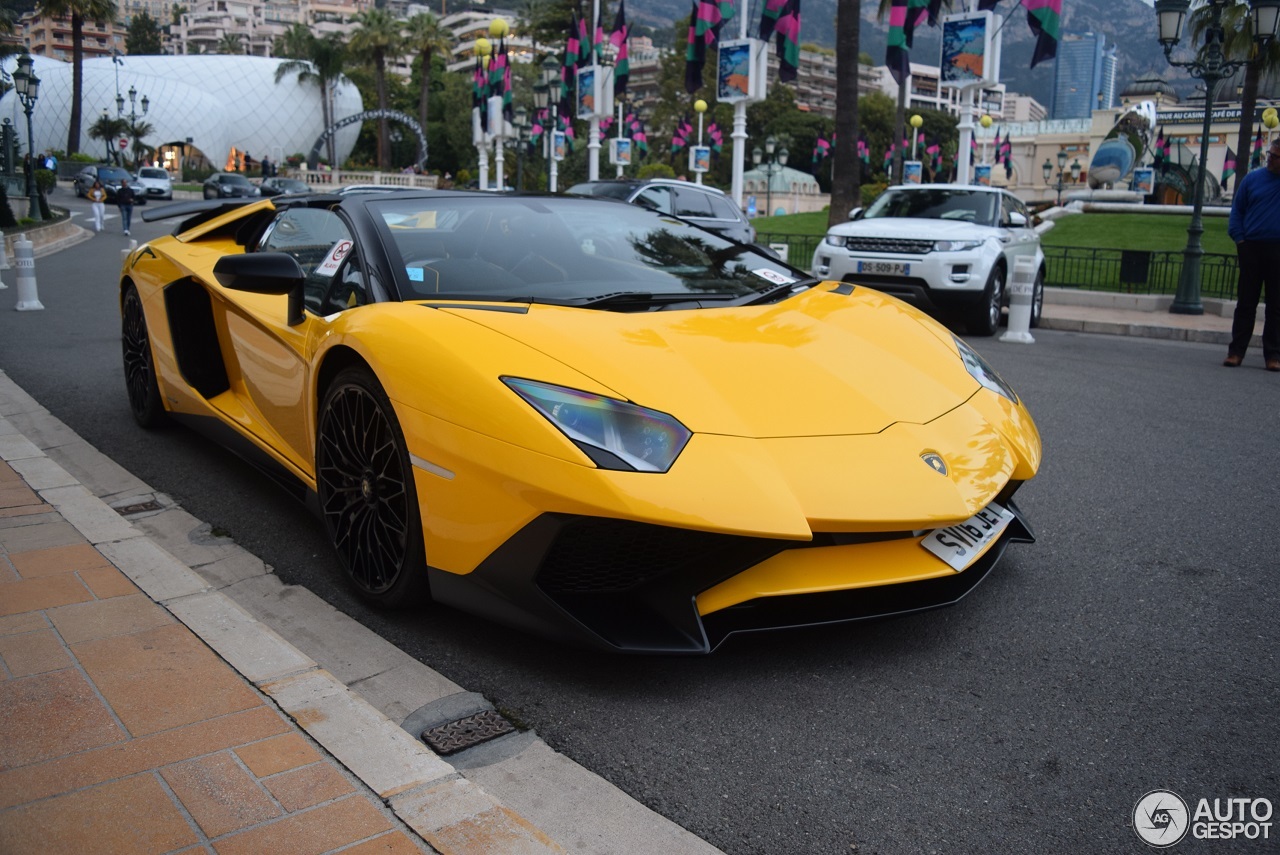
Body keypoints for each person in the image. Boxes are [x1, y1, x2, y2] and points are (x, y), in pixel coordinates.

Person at [1224, 138, 1280, 372]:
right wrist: (1240, 240)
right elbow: (1237, 212)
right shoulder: (1252, 179)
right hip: (1251, 248)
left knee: (1276, 306)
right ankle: (1236, 352)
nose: (1270, 158)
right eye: (1270, 153)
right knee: (1246, 303)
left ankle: (1273, 356)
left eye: (1275, 156)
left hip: (1278, 250)